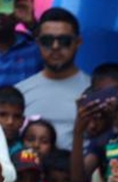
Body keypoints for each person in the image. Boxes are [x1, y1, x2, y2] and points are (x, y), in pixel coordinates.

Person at [16, 7, 90, 150]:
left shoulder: (93, 90)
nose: (55, 46)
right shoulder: (20, 92)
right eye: (47, 40)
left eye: (64, 40)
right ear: (38, 43)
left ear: (78, 42)